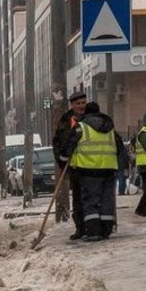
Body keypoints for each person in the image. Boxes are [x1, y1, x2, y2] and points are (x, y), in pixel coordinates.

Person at [60, 102, 124, 241]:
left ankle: (93, 232)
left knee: (90, 201)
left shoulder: (81, 127)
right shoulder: (110, 128)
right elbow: (120, 148)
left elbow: (68, 147)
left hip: (89, 170)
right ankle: (106, 230)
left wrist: (63, 159)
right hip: (109, 169)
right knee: (107, 200)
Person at [52, 91, 87, 237]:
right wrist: (61, 160)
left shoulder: (91, 118)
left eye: (83, 103)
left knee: (89, 198)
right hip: (74, 167)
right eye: (78, 104)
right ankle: (80, 227)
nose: (81, 106)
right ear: (72, 105)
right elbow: (58, 141)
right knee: (78, 198)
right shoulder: (65, 121)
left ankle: (92, 226)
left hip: (91, 166)